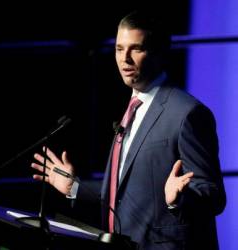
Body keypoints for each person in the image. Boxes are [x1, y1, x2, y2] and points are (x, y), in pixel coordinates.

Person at [31, 10, 226, 250]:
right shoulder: (132, 108)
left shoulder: (188, 113)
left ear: (158, 52)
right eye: (119, 49)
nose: (125, 59)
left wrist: (179, 199)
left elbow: (214, 197)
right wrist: (74, 187)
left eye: (137, 49)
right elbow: (124, 194)